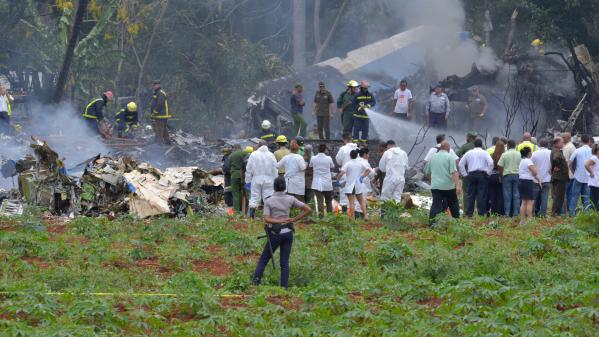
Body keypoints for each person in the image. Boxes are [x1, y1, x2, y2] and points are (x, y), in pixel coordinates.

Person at [252, 176, 311, 288]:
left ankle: (255, 283)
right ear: (285, 187)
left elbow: (267, 219)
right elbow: (308, 209)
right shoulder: (290, 198)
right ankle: (284, 288)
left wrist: (278, 221)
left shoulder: (269, 200)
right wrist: (294, 219)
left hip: (275, 234)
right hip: (288, 233)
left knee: (264, 259)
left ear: (273, 187)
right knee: (284, 263)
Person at [425, 140, 461, 224]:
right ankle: (457, 222)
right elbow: (454, 172)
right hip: (448, 187)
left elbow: (428, 172)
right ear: (448, 148)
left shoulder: (432, 157)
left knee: (435, 205)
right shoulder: (450, 157)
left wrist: (432, 182)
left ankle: (432, 224)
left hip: (436, 186)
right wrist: (458, 185)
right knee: (453, 204)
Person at [459, 139, 493, 217]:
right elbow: (491, 163)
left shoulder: (469, 153)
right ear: (481, 145)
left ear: (474, 145)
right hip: (482, 174)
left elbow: (461, 164)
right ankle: (481, 213)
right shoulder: (485, 153)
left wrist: (465, 174)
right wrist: (488, 172)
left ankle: (469, 214)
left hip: (471, 174)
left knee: (471, 195)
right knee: (481, 194)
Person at [245, 141, 278, 218]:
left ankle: (251, 217)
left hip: (256, 179)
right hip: (269, 180)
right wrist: (275, 180)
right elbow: (275, 169)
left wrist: (248, 181)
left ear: (259, 145)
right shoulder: (271, 155)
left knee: (254, 198)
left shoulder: (253, 154)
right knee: (268, 198)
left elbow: (248, 169)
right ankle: (269, 217)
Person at [337, 149, 372, 220]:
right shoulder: (360, 163)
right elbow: (368, 170)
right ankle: (365, 216)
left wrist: (337, 180)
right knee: (361, 201)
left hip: (350, 186)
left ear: (350, 156)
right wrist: (362, 176)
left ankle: (352, 219)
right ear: (357, 156)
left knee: (351, 202)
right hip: (358, 185)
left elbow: (341, 173)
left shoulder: (348, 163)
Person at [568, 134, 592, 216]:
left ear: (581, 141)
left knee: (574, 196)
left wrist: (573, 172)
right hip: (589, 177)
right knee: (586, 197)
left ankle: (571, 214)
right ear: (589, 141)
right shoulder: (592, 151)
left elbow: (570, 163)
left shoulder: (577, 150)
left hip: (578, 176)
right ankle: (586, 215)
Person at [378, 140, 409, 204]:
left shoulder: (387, 152)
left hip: (390, 178)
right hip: (401, 179)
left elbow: (382, 168)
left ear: (388, 146)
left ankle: (385, 213)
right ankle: (394, 213)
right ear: (395, 144)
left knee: (385, 197)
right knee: (397, 198)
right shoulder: (404, 153)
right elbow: (406, 167)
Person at [335, 133, 358, 213]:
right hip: (356, 175)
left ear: (344, 140)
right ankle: (354, 214)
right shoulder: (357, 148)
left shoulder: (343, 149)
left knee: (344, 194)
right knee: (355, 195)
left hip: (345, 174)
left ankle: (345, 213)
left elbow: (338, 160)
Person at [498, 139, 521, 217]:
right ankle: (516, 213)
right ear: (515, 146)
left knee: (507, 195)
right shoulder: (519, 154)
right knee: (516, 194)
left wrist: (501, 175)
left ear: (507, 146)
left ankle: (507, 213)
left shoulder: (504, 154)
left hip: (507, 176)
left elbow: (500, 166)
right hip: (517, 175)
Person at [519, 147, 542, 223]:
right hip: (528, 182)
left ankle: (522, 220)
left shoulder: (522, 161)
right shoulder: (529, 161)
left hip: (521, 181)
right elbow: (535, 172)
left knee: (523, 201)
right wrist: (534, 174)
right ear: (529, 153)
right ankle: (529, 219)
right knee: (529, 202)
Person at [310, 144, 335, 216]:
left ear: (318, 149)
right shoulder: (329, 158)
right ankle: (330, 217)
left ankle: (321, 218)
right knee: (328, 201)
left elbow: (310, 166)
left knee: (319, 201)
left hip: (316, 183)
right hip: (327, 183)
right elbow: (332, 166)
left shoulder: (313, 158)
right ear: (325, 150)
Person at [457, 132, 478, 211]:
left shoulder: (465, 146)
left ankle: (467, 211)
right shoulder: (481, 146)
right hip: (479, 173)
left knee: (466, 192)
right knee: (478, 192)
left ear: (468, 137)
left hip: (467, 172)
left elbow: (456, 155)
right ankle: (477, 210)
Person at [531, 138, 552, 216]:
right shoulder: (551, 153)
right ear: (547, 145)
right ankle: (543, 214)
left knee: (534, 198)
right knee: (545, 198)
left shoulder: (534, 153)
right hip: (547, 178)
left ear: (539, 144)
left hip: (536, 179)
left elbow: (530, 165)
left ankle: (532, 213)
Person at [550, 137, 569, 216]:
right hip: (559, 177)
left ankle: (556, 213)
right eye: (561, 142)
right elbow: (555, 159)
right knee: (559, 196)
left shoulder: (555, 150)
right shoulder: (556, 151)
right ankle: (555, 213)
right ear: (557, 143)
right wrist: (557, 165)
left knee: (558, 195)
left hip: (558, 176)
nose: (563, 143)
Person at [150, 80, 171, 144]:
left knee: (158, 130)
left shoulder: (160, 93)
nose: (153, 87)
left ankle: (158, 145)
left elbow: (160, 104)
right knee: (164, 129)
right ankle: (167, 142)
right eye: (153, 85)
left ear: (158, 85)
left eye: (154, 85)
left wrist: (154, 113)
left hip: (161, 115)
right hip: (161, 115)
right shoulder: (157, 93)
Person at [488, 140, 505, 215]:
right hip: (500, 176)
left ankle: (493, 211)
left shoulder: (491, 155)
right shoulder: (504, 155)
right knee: (500, 195)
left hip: (492, 176)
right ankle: (500, 212)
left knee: (492, 195)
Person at [228, 145, 247, 213]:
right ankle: (245, 209)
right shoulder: (245, 153)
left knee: (236, 192)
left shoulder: (231, 155)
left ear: (235, 148)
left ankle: (236, 210)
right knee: (245, 193)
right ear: (240, 148)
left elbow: (228, 166)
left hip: (234, 175)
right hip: (244, 176)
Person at [561, 132, 576, 212]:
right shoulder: (571, 146)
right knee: (570, 194)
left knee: (565, 194)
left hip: (567, 175)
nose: (562, 139)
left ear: (569, 138)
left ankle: (564, 211)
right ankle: (570, 211)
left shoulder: (568, 147)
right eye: (562, 137)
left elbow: (565, 162)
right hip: (571, 174)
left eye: (564, 137)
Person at [584, 144, 599, 210]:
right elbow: (586, 165)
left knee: (596, 200)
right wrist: (591, 173)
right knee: (594, 200)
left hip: (597, 182)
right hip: (594, 182)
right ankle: (593, 213)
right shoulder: (594, 158)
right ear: (597, 151)